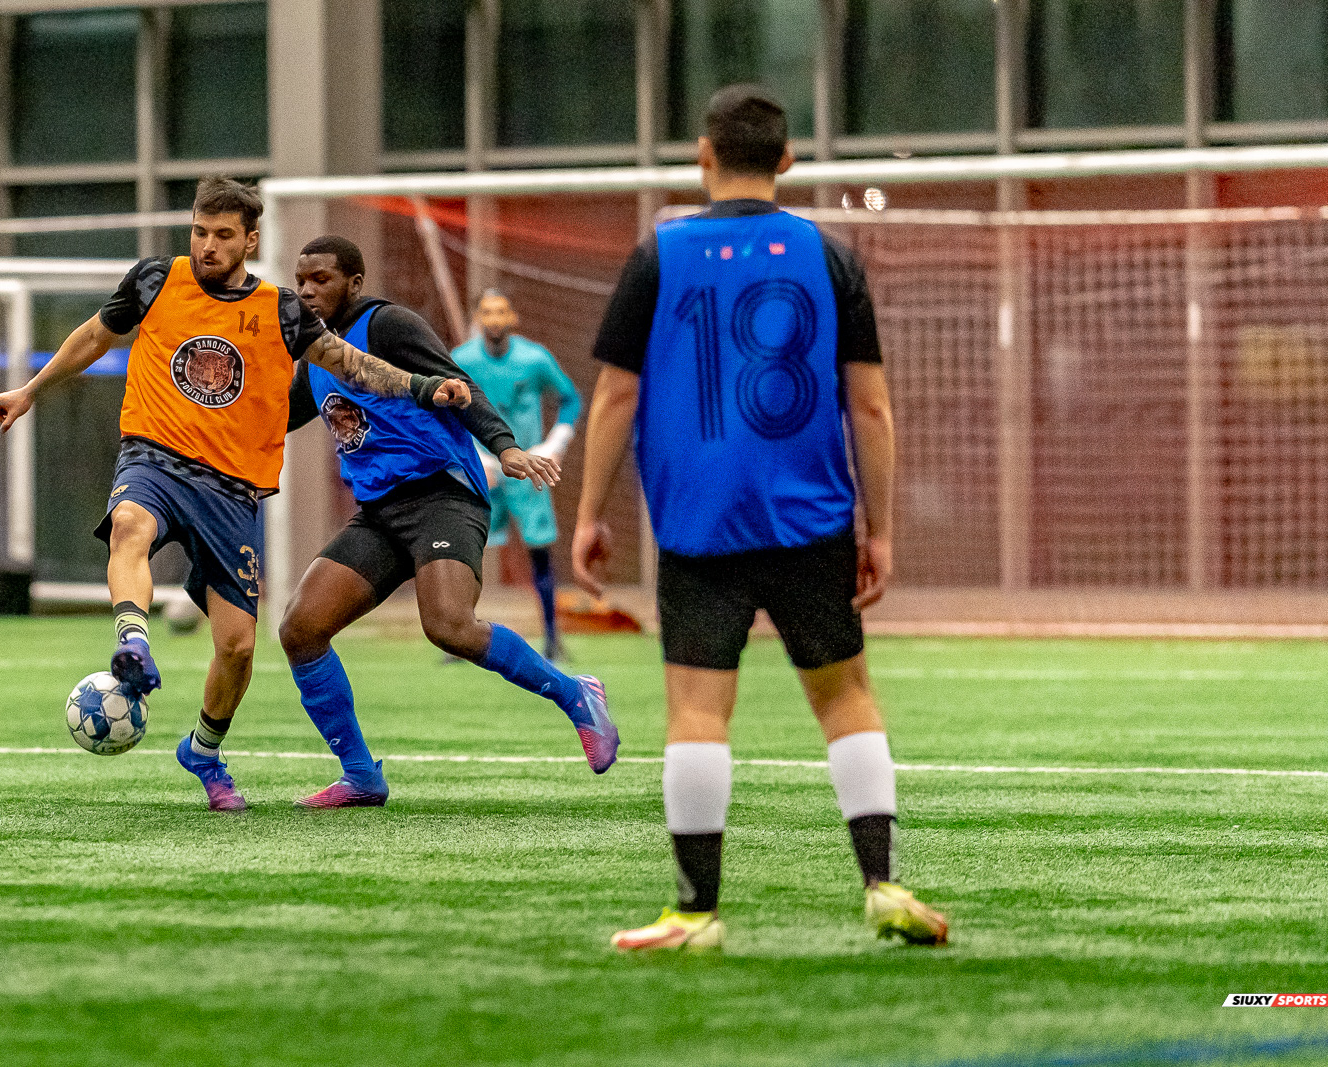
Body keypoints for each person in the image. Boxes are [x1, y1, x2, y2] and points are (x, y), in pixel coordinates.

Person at [571, 86, 947, 950]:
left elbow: (617, 393)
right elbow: (873, 407)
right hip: (814, 517)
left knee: (699, 712)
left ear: (703, 154)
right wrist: (879, 529)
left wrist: (590, 512)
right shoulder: (829, 255)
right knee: (846, 696)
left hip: (698, 523)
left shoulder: (658, 254)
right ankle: (883, 884)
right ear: (787, 159)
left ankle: (696, 912)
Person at [0, 178, 469, 813]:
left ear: (249, 240)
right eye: (199, 232)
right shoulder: (156, 281)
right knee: (130, 523)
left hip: (232, 490)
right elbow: (94, 337)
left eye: (221, 236)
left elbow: (351, 364)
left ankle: (203, 750)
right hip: (153, 456)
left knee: (238, 645)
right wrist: (29, 389)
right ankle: (133, 641)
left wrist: (422, 386)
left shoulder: (281, 310)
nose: (207, 246)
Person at [280, 236, 618, 808]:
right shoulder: (315, 355)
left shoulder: (388, 325)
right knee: (300, 629)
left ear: (355, 283)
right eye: (302, 280)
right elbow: (278, 418)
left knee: (449, 625)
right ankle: (361, 775)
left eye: (323, 279)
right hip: (381, 512)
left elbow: (460, 387)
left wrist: (505, 448)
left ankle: (574, 694)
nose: (309, 291)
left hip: (443, 493)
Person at [451, 290, 582, 661]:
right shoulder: (461, 360)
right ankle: (457, 636)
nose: (494, 318)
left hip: (528, 470)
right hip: (484, 471)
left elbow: (570, 398)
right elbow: (445, 412)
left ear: (513, 317)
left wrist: (554, 444)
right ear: (477, 317)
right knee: (465, 550)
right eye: (487, 312)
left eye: (501, 311)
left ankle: (553, 637)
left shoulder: (534, 358)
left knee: (540, 551)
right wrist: (475, 457)